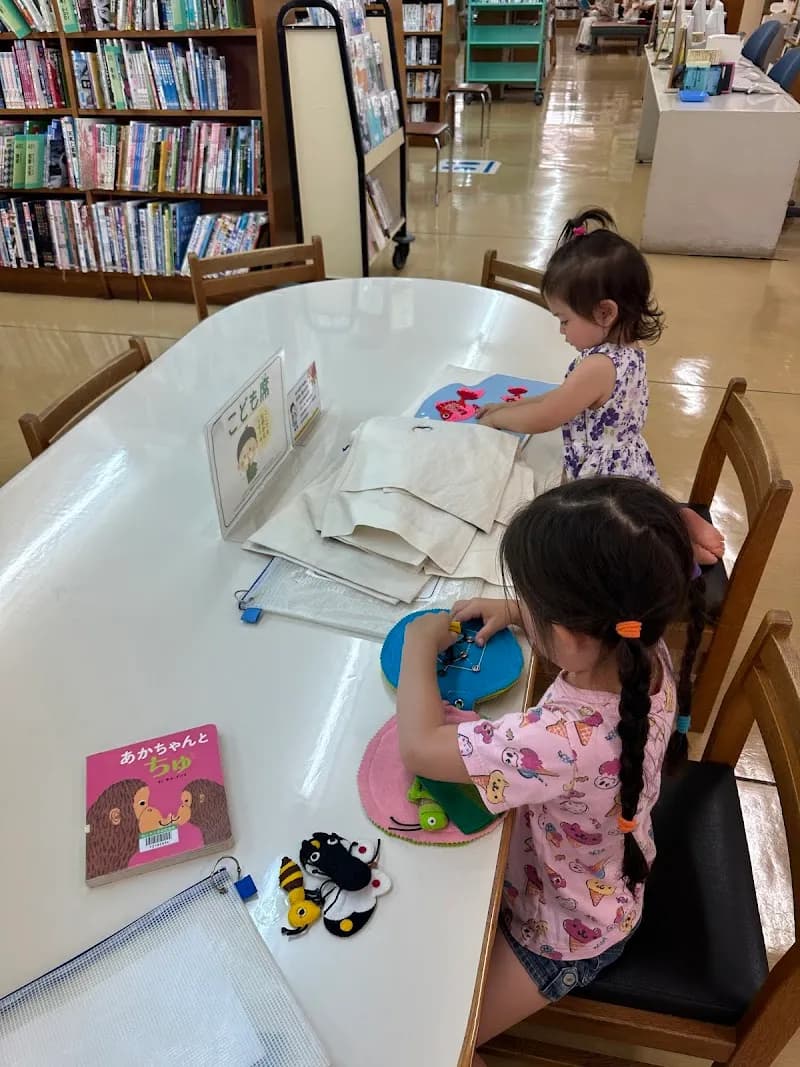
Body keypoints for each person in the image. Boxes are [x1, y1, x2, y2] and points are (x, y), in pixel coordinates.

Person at [395, 476, 705, 1066]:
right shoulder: (645, 647)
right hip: (602, 880)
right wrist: (518, 612)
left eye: (534, 607)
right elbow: (592, 631)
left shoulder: (561, 740)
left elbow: (420, 747)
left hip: (566, 932)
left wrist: (417, 643)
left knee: (432, 1046)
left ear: (567, 634)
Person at [477, 207, 723, 565]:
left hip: (606, 487)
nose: (561, 331)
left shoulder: (598, 366)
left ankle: (679, 547)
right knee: (635, 518)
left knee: (607, 549)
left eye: (564, 320)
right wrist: (506, 407)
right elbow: (563, 398)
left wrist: (498, 421)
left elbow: (547, 416)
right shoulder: (624, 351)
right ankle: (672, 517)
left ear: (605, 313)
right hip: (630, 467)